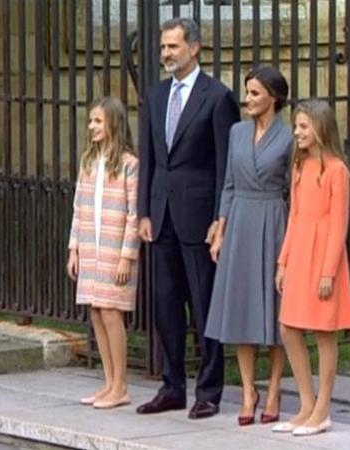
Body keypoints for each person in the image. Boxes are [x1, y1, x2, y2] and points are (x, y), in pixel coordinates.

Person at [136, 17, 240, 419]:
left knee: (203, 303)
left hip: (198, 216)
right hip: (161, 215)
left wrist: (220, 217)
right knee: (165, 304)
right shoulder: (156, 95)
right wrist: (144, 209)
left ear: (194, 48)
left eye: (173, 47)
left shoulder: (218, 98)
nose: (166, 54)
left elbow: (224, 164)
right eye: (163, 47)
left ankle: (210, 389)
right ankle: (172, 384)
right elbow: (149, 156)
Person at [204, 66, 291, 426]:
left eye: (255, 93)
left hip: (272, 220)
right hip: (239, 219)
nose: (248, 99)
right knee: (241, 307)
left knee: (273, 308)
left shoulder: (288, 137)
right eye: (247, 92)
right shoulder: (237, 132)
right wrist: (221, 228)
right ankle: (247, 390)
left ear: (274, 96)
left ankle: (272, 388)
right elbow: (227, 183)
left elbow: (293, 188)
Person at [272, 99, 350, 436]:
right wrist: (283, 260)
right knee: (288, 328)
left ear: (321, 129)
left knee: (323, 331)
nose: (298, 132)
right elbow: (293, 217)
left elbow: (338, 226)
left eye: (304, 126)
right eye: (297, 126)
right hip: (300, 252)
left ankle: (323, 409)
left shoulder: (335, 170)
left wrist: (328, 272)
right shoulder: (299, 166)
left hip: (324, 256)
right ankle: (306, 403)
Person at [67, 97, 140, 410]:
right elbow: (79, 208)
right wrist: (74, 248)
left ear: (114, 123)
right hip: (91, 247)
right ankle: (108, 382)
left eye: (98, 121)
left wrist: (127, 255)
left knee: (112, 312)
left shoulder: (129, 164)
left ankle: (121, 385)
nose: (92, 127)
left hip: (114, 249)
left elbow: (133, 213)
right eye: (91, 121)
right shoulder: (88, 162)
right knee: (96, 311)